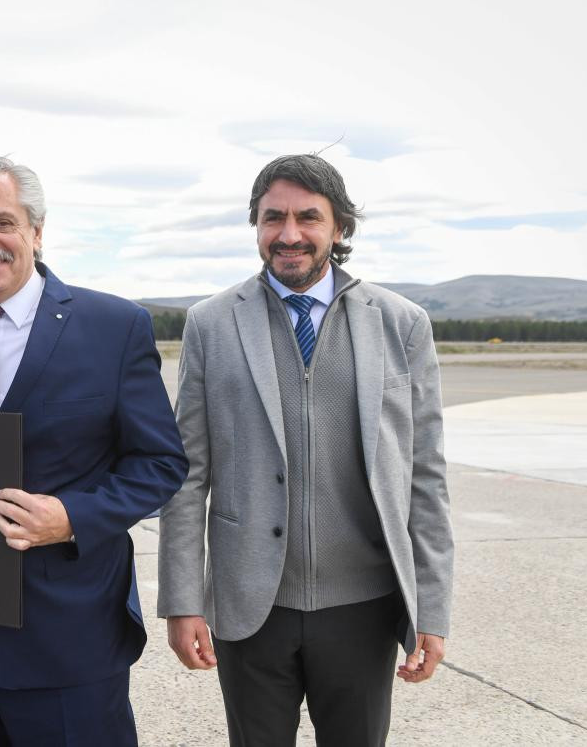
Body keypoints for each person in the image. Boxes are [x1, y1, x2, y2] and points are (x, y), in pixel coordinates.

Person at [158, 154, 454, 746]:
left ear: (338, 228)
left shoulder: (402, 324)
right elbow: (188, 474)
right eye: (273, 218)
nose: (289, 234)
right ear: (257, 225)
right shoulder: (211, 324)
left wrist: (432, 607)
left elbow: (425, 475)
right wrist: (182, 599)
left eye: (308, 218)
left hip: (365, 607)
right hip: (250, 608)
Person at [0, 149, 187, 746]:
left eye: (1, 222)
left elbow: (161, 463)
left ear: (35, 229)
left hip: (66, 640)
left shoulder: (113, 327)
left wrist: (71, 518)